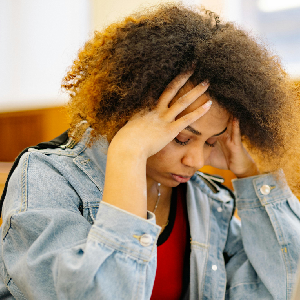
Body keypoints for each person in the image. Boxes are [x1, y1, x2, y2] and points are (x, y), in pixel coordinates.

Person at [0, 3, 300, 300]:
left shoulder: (206, 200)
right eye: (182, 138)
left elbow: (283, 289)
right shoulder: (45, 176)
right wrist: (128, 153)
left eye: (211, 142)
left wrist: (254, 175)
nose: (196, 162)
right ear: (129, 113)